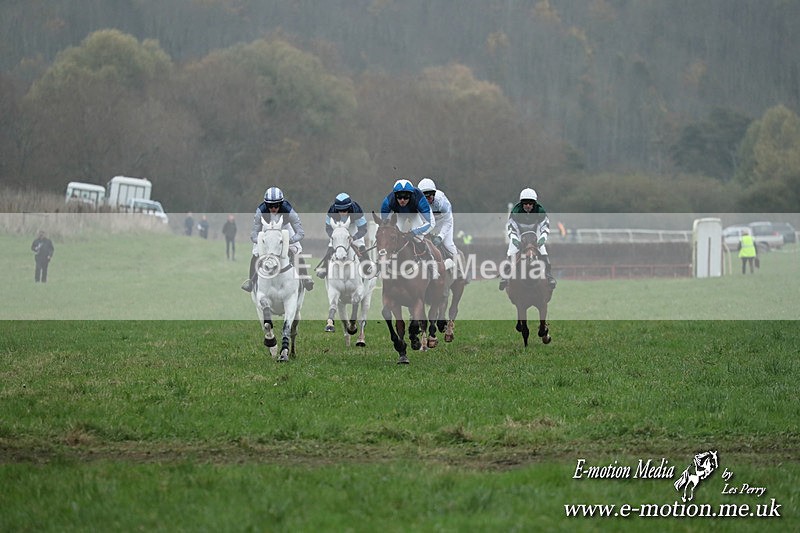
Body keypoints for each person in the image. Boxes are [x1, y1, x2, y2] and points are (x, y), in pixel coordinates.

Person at [241, 186, 314, 292]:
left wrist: (290, 241)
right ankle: (251, 282)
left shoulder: (289, 211)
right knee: (256, 252)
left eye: (276, 205)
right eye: (270, 205)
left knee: (297, 249)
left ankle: (305, 278)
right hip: (265, 229)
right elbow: (253, 235)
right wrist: (263, 242)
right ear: (266, 204)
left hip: (285, 228)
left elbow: (300, 233)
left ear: (281, 203)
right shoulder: (260, 212)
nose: (273, 208)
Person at [499, 188, 557, 291]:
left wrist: (543, 237)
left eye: (531, 204)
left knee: (543, 251)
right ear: (522, 203)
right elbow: (511, 227)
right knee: (511, 251)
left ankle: (549, 276)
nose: (528, 206)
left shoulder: (540, 211)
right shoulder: (516, 211)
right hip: (519, 233)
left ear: (534, 203)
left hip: (535, 232)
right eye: (526, 204)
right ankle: (505, 277)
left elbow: (545, 226)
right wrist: (515, 239)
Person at [380, 178, 438, 277]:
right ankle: (385, 263)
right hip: (399, 214)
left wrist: (414, 232)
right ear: (395, 195)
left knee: (418, 238)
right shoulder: (387, 202)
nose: (402, 200)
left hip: (415, 213)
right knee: (391, 236)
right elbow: (384, 224)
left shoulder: (420, 200)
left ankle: (430, 262)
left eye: (406, 197)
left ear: (411, 195)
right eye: (399, 197)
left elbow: (430, 223)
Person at [316, 192, 369, 279]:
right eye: (340, 210)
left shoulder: (356, 209)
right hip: (338, 227)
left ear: (349, 207)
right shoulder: (332, 210)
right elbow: (328, 228)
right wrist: (334, 238)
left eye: (344, 210)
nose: (342, 212)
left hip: (353, 226)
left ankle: (368, 267)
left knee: (360, 244)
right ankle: (324, 267)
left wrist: (354, 237)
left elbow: (363, 228)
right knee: (331, 245)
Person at [417, 177, 458, 264]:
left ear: (434, 194)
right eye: (425, 197)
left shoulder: (441, 202)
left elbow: (448, 221)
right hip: (428, 222)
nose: (427, 200)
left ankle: (459, 269)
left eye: (430, 196)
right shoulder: (416, 202)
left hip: (443, 222)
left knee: (448, 244)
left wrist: (440, 236)